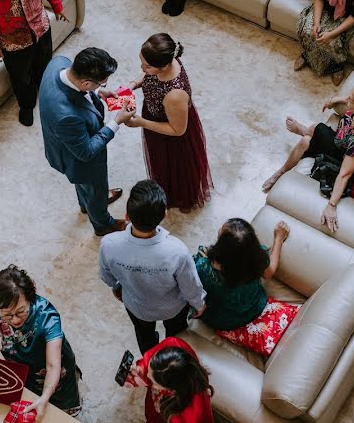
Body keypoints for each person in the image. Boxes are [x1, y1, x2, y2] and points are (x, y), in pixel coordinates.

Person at [262, 82, 354, 232]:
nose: (347, 100)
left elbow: (345, 174)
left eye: (350, 100)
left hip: (348, 159)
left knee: (307, 140)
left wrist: (331, 206)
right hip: (342, 143)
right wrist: (334, 100)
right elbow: (351, 98)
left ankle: (283, 167)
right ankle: (297, 143)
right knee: (314, 129)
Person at [99, 180, 207, 355]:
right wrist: (199, 304)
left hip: (137, 306)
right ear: (164, 214)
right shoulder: (177, 251)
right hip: (173, 308)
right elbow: (190, 286)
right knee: (176, 334)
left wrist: (117, 287)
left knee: (144, 335)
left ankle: (149, 357)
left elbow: (107, 277)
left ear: (127, 215)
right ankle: (170, 356)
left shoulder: (108, 244)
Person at [0, 265, 82, 419]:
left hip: (54, 371)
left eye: (20, 311)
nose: (15, 320)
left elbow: (53, 366)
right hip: (23, 371)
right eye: (7, 315)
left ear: (30, 299)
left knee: (61, 410)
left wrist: (44, 398)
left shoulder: (47, 316)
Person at [38, 47, 135, 236]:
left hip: (66, 144)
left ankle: (87, 204)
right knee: (93, 186)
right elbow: (86, 152)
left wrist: (98, 90)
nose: (105, 83)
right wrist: (116, 122)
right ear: (85, 82)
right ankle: (102, 224)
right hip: (80, 162)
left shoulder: (59, 63)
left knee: (87, 189)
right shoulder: (66, 116)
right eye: (102, 81)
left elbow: (82, 87)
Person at [124, 34, 213, 212]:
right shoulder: (166, 60)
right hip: (158, 117)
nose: (143, 68)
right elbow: (149, 76)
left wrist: (141, 122)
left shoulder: (174, 95)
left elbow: (178, 130)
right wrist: (134, 84)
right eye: (142, 63)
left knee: (176, 169)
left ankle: (180, 198)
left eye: (147, 66)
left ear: (164, 66)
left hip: (171, 133)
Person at [193, 219, 290, 330]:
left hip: (223, 320)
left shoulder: (203, 268)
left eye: (222, 229)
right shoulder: (257, 258)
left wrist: (202, 260)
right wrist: (279, 239)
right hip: (253, 306)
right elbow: (269, 273)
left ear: (221, 249)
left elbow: (192, 290)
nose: (220, 228)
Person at [126, 337, 214, 423]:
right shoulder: (173, 345)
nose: (147, 375)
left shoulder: (189, 415)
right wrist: (140, 370)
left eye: (154, 382)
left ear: (172, 389)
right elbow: (146, 363)